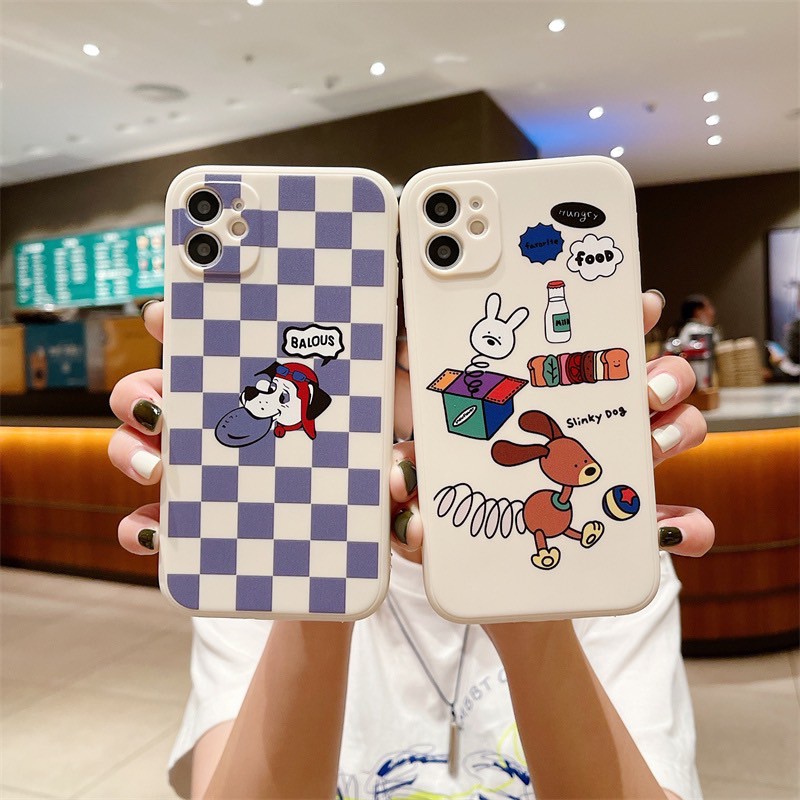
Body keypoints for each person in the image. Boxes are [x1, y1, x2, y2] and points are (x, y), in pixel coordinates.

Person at [108, 289, 713, 799]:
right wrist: (323, 575)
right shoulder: (260, 547)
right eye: (401, 341)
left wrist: (531, 622)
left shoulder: (603, 556)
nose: (433, 376)